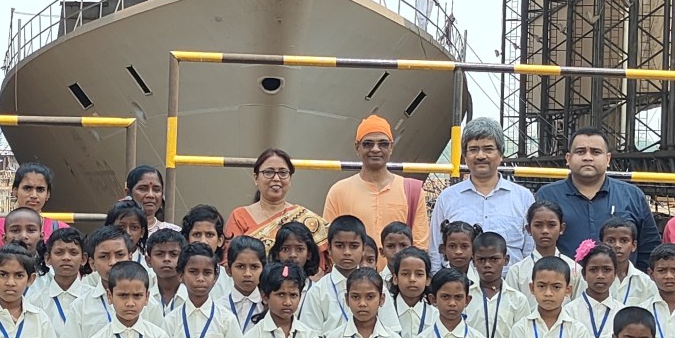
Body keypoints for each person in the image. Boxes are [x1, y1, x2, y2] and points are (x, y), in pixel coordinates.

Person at [533, 128, 660, 267]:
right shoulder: (547, 195)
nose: (588, 157)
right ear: (568, 158)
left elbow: (650, 249)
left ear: (608, 159)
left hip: (622, 286)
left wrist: (632, 282)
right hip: (564, 284)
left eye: (596, 152)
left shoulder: (632, 196)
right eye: (580, 151)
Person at [428, 118, 529, 270]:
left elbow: (529, 252)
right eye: (473, 149)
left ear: (500, 154)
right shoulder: (447, 198)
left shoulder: (523, 198)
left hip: (511, 288)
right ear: (465, 156)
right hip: (458, 288)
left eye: (488, 149)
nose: (480, 156)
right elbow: (436, 252)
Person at [322, 116, 430, 250]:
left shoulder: (413, 191)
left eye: (383, 144)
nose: (375, 149)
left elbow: (420, 245)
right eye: (368, 144)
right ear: (357, 148)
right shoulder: (339, 191)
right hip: (354, 271)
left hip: (399, 271)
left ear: (391, 147)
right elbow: (330, 244)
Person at [225, 148, 328, 251]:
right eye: (269, 172)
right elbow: (231, 260)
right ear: (255, 178)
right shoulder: (239, 217)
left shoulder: (305, 217)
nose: (276, 178)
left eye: (283, 173)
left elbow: (318, 263)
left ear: (290, 178)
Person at [0, 162, 67, 248]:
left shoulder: (61, 230)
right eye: (27, 188)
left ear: (48, 194)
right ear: (15, 191)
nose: (34, 195)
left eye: (40, 190)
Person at [123, 165, 180, 234]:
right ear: (128, 193)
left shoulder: (174, 232)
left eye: (156, 190)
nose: (151, 195)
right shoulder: (115, 232)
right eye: (142, 189)